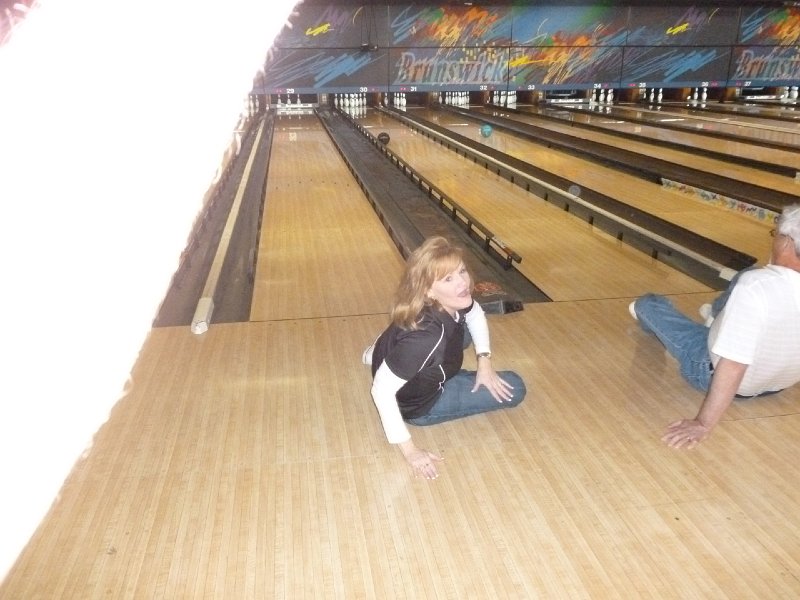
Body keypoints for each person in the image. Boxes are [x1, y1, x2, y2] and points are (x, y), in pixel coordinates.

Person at [629, 203, 800, 449]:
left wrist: (703, 423)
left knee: (649, 304)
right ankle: (717, 318)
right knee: (746, 275)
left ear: (786, 242)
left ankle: (711, 322)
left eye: (776, 234)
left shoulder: (756, 286)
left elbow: (733, 364)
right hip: (779, 384)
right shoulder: (756, 283)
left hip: (710, 372)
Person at [363, 236, 527, 479]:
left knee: (466, 336)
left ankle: (374, 352)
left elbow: (475, 311)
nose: (462, 283)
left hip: (392, 358)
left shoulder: (436, 303)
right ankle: (385, 359)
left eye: (461, 271)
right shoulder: (427, 339)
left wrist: (484, 361)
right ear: (429, 290)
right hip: (419, 403)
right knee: (516, 387)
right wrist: (410, 451)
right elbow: (381, 391)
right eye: (448, 279)